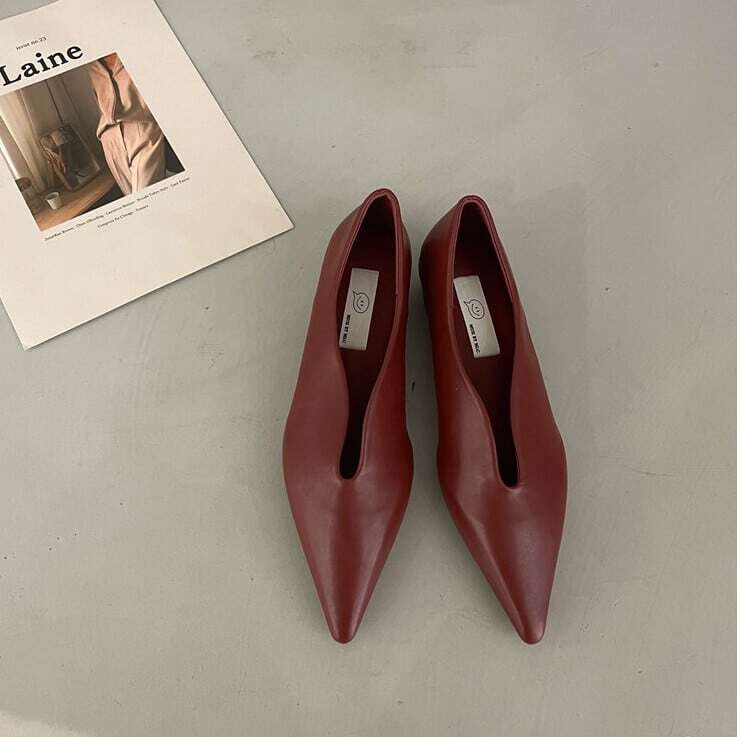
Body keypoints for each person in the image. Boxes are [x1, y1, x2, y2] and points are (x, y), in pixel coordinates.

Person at [87, 53, 166, 195]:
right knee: (132, 199)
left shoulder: (134, 53)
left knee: (147, 195)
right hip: (109, 138)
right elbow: (100, 105)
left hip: (142, 128)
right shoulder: (92, 67)